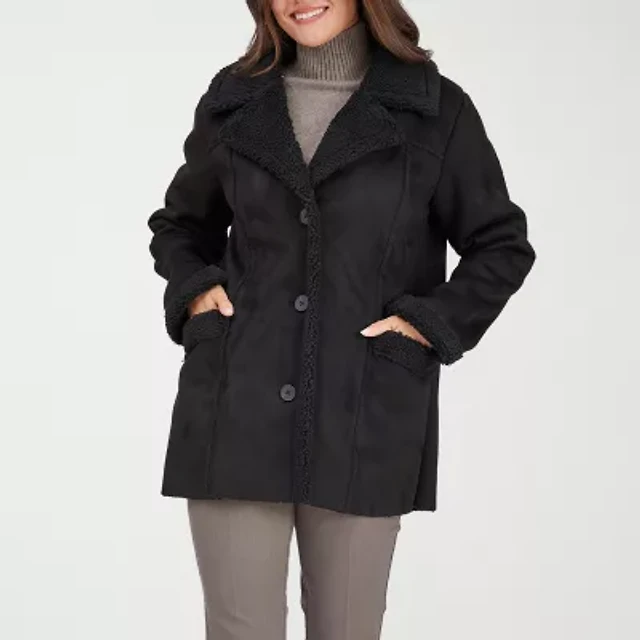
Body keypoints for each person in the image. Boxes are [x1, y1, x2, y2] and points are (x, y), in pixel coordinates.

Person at [146, 0, 536, 638]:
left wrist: (426, 325)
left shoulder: (435, 109)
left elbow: (501, 244)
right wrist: (196, 291)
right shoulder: (233, 102)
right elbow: (180, 226)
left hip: (365, 411)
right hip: (236, 404)